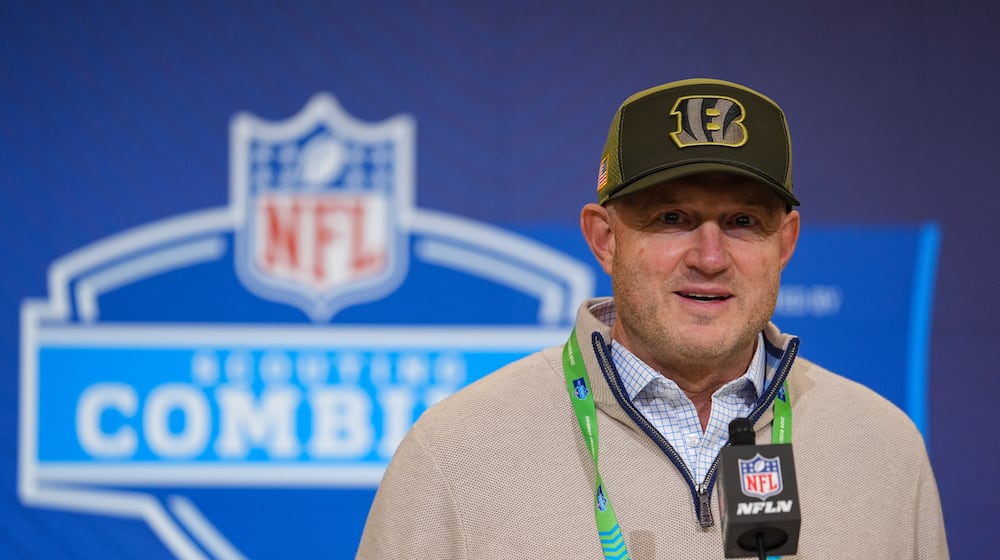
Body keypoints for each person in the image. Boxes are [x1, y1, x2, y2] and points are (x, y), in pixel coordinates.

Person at [356, 78, 948, 559]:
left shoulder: (885, 446)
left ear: (785, 242)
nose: (710, 258)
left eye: (743, 222)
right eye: (671, 219)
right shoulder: (456, 450)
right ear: (604, 238)